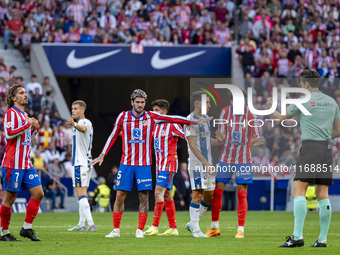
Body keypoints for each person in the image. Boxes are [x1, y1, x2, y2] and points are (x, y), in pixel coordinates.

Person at [90, 89, 194, 238]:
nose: (140, 104)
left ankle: (140, 230)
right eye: (137, 102)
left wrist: (194, 121)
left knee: (144, 197)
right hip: (126, 164)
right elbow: (113, 135)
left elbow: (173, 118)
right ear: (132, 102)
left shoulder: (151, 117)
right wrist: (102, 155)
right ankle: (116, 230)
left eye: (142, 102)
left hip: (144, 164)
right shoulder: (123, 116)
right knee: (120, 195)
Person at [267, 70, 340, 248]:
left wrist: (271, 107)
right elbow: (338, 130)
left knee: (298, 192)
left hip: (310, 149)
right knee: (323, 194)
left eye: (301, 83)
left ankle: (297, 237)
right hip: (326, 149)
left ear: (306, 84)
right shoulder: (332, 102)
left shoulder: (302, 101)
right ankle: (322, 240)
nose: (301, 86)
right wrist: (324, 135)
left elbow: (280, 119)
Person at [206, 90, 264, 238]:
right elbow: (221, 135)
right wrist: (221, 138)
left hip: (243, 158)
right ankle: (214, 227)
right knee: (217, 191)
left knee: (242, 193)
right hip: (226, 157)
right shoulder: (225, 112)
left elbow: (257, 133)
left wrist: (256, 141)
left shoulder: (251, 114)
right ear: (231, 102)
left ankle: (240, 230)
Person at [0, 84, 43, 241]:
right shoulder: (11, 113)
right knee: (9, 199)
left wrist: (35, 129)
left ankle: (26, 228)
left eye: (25, 92)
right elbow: (10, 134)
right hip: (13, 163)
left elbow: (26, 138)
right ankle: (4, 233)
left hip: (26, 163)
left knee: (39, 193)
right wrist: (28, 124)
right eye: (21, 93)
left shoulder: (25, 115)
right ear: (13, 98)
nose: (25, 95)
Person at [144, 99, 186, 236]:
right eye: (153, 110)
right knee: (167, 195)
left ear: (164, 112)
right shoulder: (154, 126)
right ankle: (173, 228)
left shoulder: (172, 125)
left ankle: (154, 227)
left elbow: (187, 136)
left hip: (169, 164)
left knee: (158, 193)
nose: (154, 113)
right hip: (159, 166)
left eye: (157, 111)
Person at [184, 91, 222, 238]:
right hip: (197, 164)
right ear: (197, 104)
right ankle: (195, 230)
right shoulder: (190, 120)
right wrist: (206, 163)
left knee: (209, 195)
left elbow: (206, 141)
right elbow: (193, 145)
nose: (209, 105)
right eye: (207, 102)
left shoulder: (205, 118)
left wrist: (220, 141)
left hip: (208, 164)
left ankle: (192, 223)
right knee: (198, 194)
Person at [67, 100, 96, 232]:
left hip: (80, 163)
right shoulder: (79, 124)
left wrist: (73, 124)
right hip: (85, 162)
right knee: (82, 193)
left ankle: (90, 224)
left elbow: (83, 128)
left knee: (80, 194)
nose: (73, 111)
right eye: (72, 109)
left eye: (76, 109)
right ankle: (81, 224)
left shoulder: (84, 122)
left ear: (82, 110)